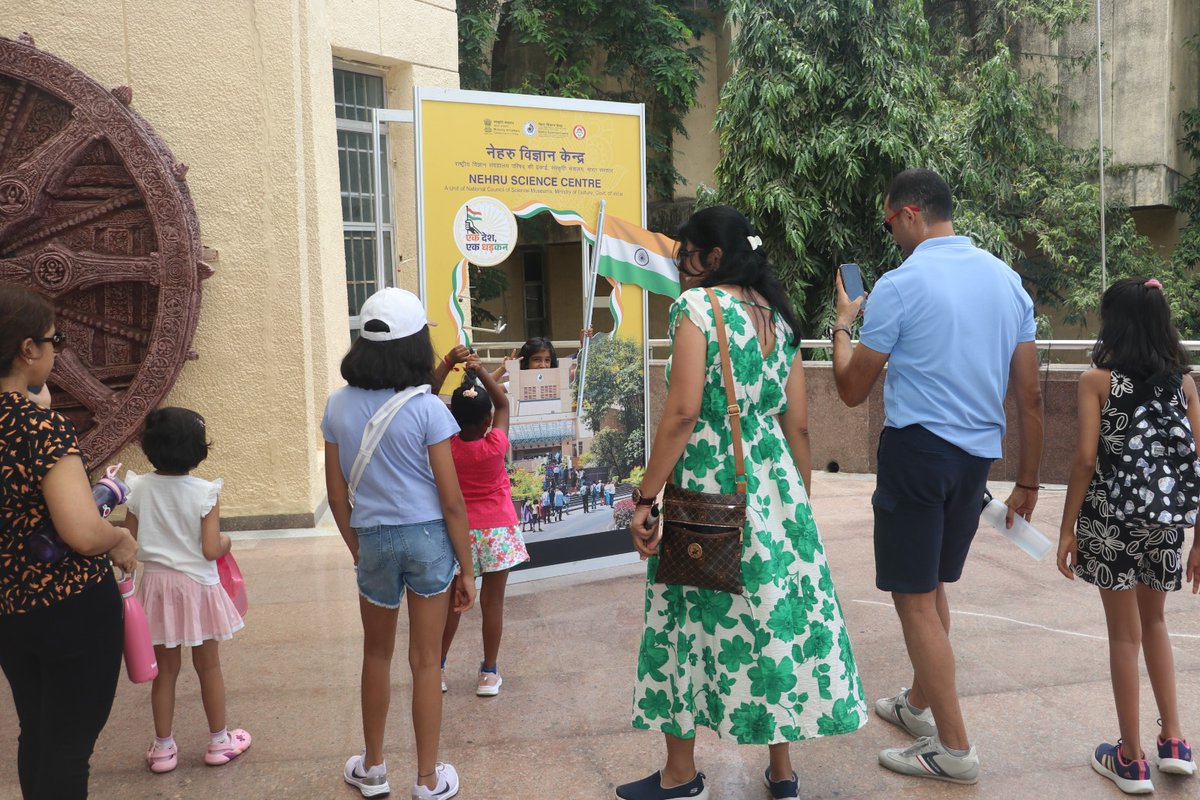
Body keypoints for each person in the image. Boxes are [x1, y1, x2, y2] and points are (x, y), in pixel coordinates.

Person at [623, 206, 868, 800]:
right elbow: (799, 427)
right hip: (773, 485)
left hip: (708, 482)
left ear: (712, 257)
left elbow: (681, 414)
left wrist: (646, 496)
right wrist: (797, 503)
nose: (680, 265)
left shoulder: (696, 310)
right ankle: (781, 773)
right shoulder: (776, 317)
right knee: (770, 618)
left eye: (686, 254)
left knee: (684, 615)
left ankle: (680, 775)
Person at [831, 168, 1043, 784]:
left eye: (888, 221)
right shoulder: (1008, 282)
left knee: (914, 598)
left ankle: (954, 748)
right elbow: (1028, 396)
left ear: (909, 214)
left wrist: (844, 322)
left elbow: (849, 388)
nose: (890, 233)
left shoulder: (900, 285)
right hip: (975, 462)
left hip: (918, 454)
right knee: (933, 588)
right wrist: (1027, 481)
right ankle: (919, 706)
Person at [322, 287, 476, 800]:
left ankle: (372, 768)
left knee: (377, 655)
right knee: (426, 661)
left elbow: (336, 493)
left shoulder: (337, 405)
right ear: (416, 345)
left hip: (373, 540)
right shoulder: (428, 409)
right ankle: (429, 780)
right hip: (429, 538)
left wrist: (357, 547)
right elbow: (452, 502)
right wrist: (468, 569)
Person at [1057, 277, 1199, 793]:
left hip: (1110, 519)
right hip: (1164, 522)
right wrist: (1199, 539)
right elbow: (1198, 463)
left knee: (1123, 635)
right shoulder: (1182, 382)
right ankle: (1176, 743)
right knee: (1155, 623)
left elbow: (1085, 460)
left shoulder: (1097, 380)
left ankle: (1132, 759)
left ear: (1113, 322)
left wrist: (1068, 528)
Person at [0, 285, 139, 799]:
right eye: (54, 340)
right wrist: (120, 538)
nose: (57, 351)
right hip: (69, 605)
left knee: (36, 728)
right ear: (27, 349)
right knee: (67, 745)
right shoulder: (41, 428)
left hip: (10, 606)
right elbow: (81, 530)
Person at [125, 407, 250, 773]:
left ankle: (163, 749)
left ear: (150, 447)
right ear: (198, 448)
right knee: (208, 666)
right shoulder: (204, 493)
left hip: (158, 587)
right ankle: (219, 741)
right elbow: (211, 549)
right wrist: (226, 542)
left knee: (165, 671)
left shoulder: (138, 488)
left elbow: (128, 542)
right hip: (198, 587)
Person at [440, 357, 529, 698]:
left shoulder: (447, 447)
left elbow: (433, 399)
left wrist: (450, 366)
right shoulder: (495, 445)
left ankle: (438, 668)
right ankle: (488, 674)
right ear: (489, 420)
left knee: (454, 602)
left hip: (459, 532)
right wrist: (479, 371)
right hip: (497, 531)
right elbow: (504, 402)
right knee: (493, 604)